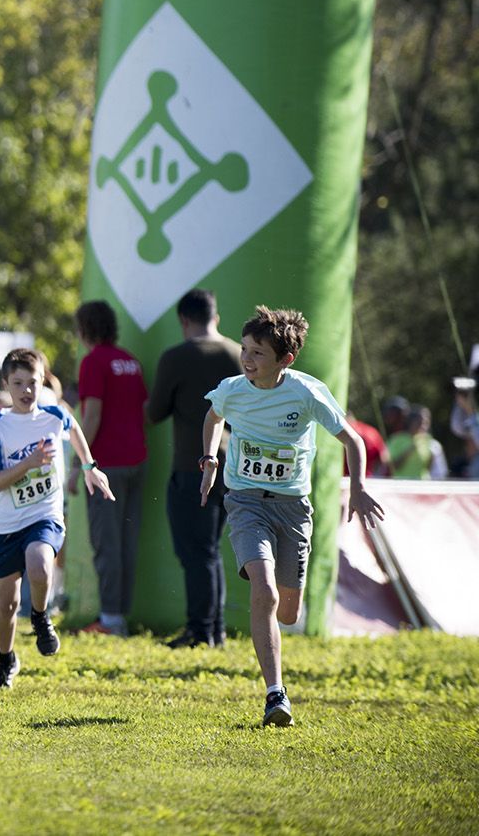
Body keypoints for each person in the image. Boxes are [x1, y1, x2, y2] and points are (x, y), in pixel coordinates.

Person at [200, 305, 384, 726]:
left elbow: (353, 441)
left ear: (286, 359)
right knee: (262, 591)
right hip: (245, 500)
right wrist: (210, 459)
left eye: (258, 353)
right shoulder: (233, 389)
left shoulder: (306, 392)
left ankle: (274, 594)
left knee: (287, 611)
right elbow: (213, 416)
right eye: (245, 349)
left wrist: (355, 488)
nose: (247, 359)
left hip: (292, 507)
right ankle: (275, 694)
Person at [0, 347, 113, 691]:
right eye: (18, 383)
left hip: (44, 513)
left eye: (32, 383)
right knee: (5, 603)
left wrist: (89, 467)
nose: (26, 390)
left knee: (40, 566)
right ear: (6, 385)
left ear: (43, 382)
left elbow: (75, 429)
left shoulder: (54, 415)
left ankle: (40, 616)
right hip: (6, 524)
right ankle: (6, 658)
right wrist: (30, 463)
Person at [146, 289, 241, 648]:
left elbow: (155, 412)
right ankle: (213, 629)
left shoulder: (176, 357)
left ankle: (200, 631)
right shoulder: (238, 353)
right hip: (232, 464)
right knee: (211, 551)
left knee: (196, 553)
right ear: (215, 317)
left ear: (184, 320)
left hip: (193, 465)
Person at [74, 299, 148, 637]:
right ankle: (119, 614)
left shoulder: (93, 362)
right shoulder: (129, 361)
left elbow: (92, 415)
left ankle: (111, 619)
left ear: (84, 329)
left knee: (107, 544)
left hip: (106, 466)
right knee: (127, 543)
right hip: (136, 461)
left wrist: (81, 464)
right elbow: (143, 409)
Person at [385, 406, 435, 479]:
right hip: (401, 485)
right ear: (411, 421)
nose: (423, 426)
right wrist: (410, 450)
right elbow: (392, 466)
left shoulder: (429, 440)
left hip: (423, 486)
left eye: (426, 423)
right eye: (419, 422)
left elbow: (428, 469)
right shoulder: (396, 439)